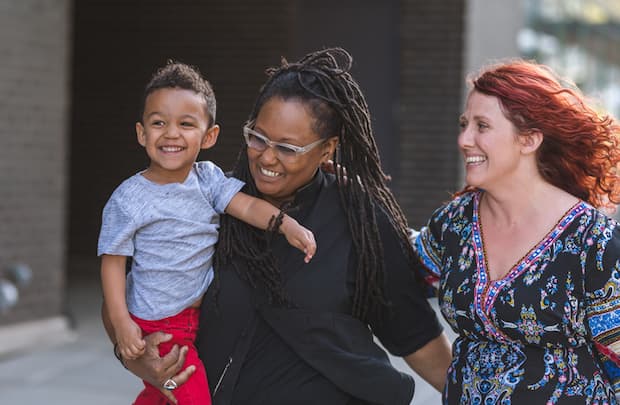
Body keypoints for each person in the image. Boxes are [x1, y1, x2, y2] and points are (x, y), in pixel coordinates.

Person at [102, 48, 453, 405]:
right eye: (258, 138)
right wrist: (136, 359)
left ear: (327, 149)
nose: (267, 157)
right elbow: (128, 297)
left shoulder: (362, 221)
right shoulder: (206, 202)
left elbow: (416, 336)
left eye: (288, 148)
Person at [98, 61, 317, 405]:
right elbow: (112, 262)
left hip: (191, 320)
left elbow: (245, 207)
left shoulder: (208, 180)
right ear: (142, 133)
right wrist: (121, 322)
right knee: (190, 393)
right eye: (159, 123)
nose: (171, 133)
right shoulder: (129, 198)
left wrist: (285, 224)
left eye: (186, 124)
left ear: (209, 135)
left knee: (161, 393)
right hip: (160, 322)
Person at [412, 59, 620, 404]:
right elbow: (397, 273)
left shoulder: (593, 242)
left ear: (529, 139)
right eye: (464, 124)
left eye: (482, 126)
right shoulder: (454, 223)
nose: (464, 139)